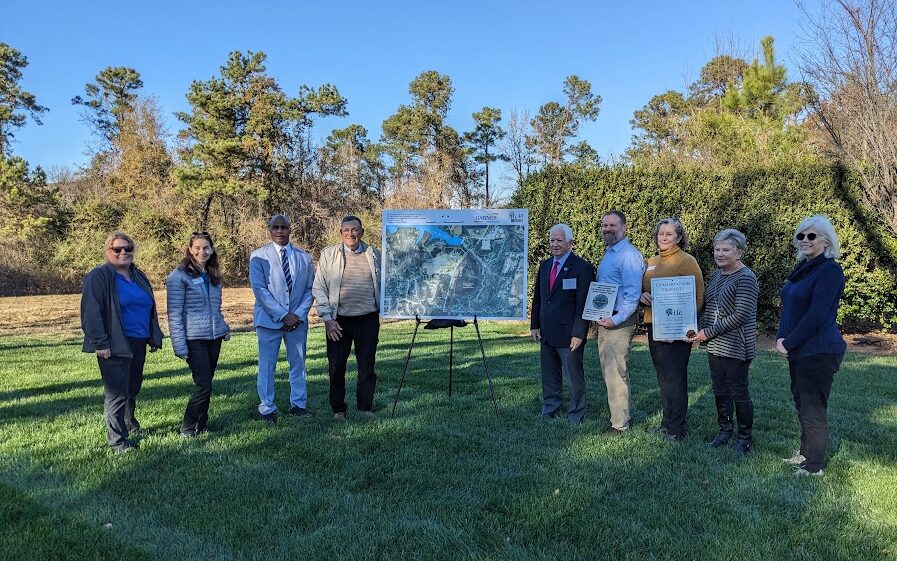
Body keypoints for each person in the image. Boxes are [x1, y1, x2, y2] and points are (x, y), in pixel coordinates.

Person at [80, 231, 163, 453]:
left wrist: (153, 336)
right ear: (108, 252)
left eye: (127, 248)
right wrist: (100, 342)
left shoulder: (139, 276)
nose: (123, 252)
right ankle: (117, 441)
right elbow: (91, 312)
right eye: (117, 249)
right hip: (114, 343)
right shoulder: (99, 276)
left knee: (132, 388)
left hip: (139, 340)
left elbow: (149, 308)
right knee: (117, 393)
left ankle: (130, 425)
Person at [776, 215, 846, 476]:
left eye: (811, 236)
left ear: (826, 240)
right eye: (801, 235)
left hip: (819, 349)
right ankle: (806, 452)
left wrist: (789, 342)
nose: (805, 240)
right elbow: (790, 309)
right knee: (801, 402)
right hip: (800, 349)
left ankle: (814, 465)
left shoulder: (829, 270)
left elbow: (817, 314)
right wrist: (781, 339)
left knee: (813, 407)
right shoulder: (802, 268)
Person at [688, 229, 759, 454]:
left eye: (726, 249)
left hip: (737, 346)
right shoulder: (717, 275)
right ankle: (725, 431)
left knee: (739, 393)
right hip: (716, 345)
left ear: (739, 252)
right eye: (717, 249)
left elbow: (740, 316)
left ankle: (744, 438)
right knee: (720, 391)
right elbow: (710, 309)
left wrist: (707, 333)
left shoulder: (746, 278)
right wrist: (696, 327)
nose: (720, 254)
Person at [640, 217, 704, 441]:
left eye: (668, 234)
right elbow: (644, 290)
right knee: (663, 378)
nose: (663, 238)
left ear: (679, 237)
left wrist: (677, 329)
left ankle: (676, 429)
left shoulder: (687, 261)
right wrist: (643, 297)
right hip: (654, 328)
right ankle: (666, 423)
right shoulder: (651, 261)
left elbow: (697, 297)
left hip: (676, 332)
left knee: (675, 379)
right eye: (660, 233)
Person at [312, 215, 382, 420]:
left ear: (362, 232)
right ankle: (338, 410)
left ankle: (365, 408)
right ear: (341, 233)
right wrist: (327, 317)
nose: (350, 234)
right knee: (336, 366)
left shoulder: (375, 254)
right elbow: (319, 287)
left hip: (367, 318)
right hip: (338, 321)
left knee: (367, 367)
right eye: (346, 230)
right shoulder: (328, 255)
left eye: (354, 230)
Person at [249, 214, 315, 423]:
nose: (279, 231)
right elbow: (260, 290)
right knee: (267, 367)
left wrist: (297, 315)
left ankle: (299, 405)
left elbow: (309, 289)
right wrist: (283, 315)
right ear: (269, 229)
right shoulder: (258, 256)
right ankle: (267, 408)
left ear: (290, 229)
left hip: (297, 322)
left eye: (283, 227)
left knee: (298, 364)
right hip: (269, 322)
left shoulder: (304, 258)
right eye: (275, 227)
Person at [167, 232, 231, 437]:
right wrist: (179, 346)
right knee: (203, 384)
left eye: (206, 248)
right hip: (194, 339)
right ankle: (187, 427)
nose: (201, 252)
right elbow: (174, 313)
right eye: (197, 248)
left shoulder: (213, 276)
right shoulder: (178, 276)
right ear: (189, 249)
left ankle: (202, 424)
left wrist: (223, 328)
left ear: (211, 250)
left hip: (214, 338)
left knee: (208, 383)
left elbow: (216, 308)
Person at [530, 224, 594, 424]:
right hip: (547, 332)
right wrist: (534, 325)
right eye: (551, 240)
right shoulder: (545, 265)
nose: (554, 244)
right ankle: (550, 408)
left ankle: (576, 414)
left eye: (559, 240)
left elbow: (583, 304)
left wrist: (579, 333)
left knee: (574, 377)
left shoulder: (582, 268)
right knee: (549, 375)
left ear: (570, 243)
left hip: (569, 335)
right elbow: (538, 298)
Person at [594, 210, 645, 435]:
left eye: (613, 225)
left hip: (618, 322)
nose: (608, 229)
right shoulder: (610, 253)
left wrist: (614, 319)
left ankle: (619, 425)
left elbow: (633, 295)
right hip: (608, 319)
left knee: (615, 371)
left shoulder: (628, 256)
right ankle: (620, 413)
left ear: (624, 228)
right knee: (610, 370)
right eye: (605, 225)